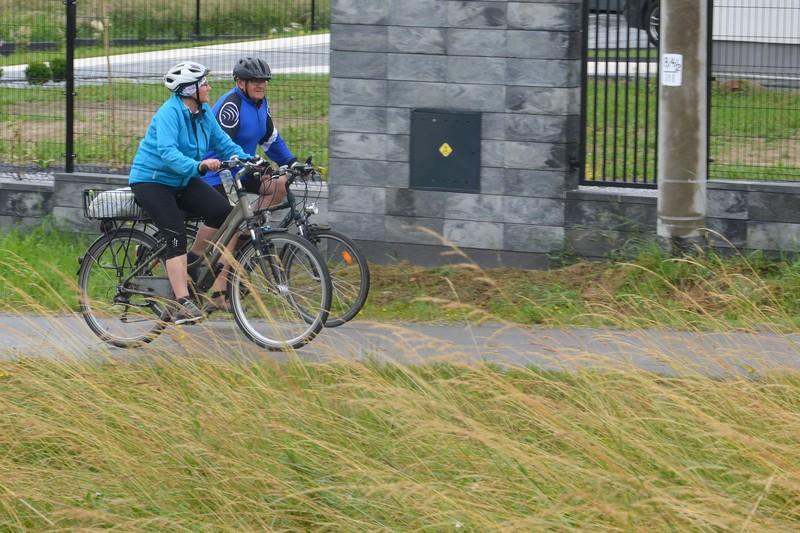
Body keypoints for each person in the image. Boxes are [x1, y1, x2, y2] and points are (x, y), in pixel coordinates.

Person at [128, 60, 251, 324]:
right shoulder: (169, 114)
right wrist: (198, 166)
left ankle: (191, 264)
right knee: (176, 235)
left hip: (181, 178)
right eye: (204, 83)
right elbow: (167, 152)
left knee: (221, 212)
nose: (209, 87)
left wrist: (252, 161)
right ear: (188, 89)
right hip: (151, 181)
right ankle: (182, 302)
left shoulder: (203, 113)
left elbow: (224, 143)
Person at [201, 56, 298, 211]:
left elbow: (270, 138)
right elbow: (223, 146)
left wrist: (292, 162)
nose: (260, 85)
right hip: (217, 174)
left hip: (244, 170)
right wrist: (255, 165)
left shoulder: (261, 103)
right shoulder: (231, 105)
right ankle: (240, 227)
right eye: (254, 81)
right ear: (240, 83)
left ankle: (253, 226)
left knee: (278, 187)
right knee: (230, 215)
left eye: (263, 81)